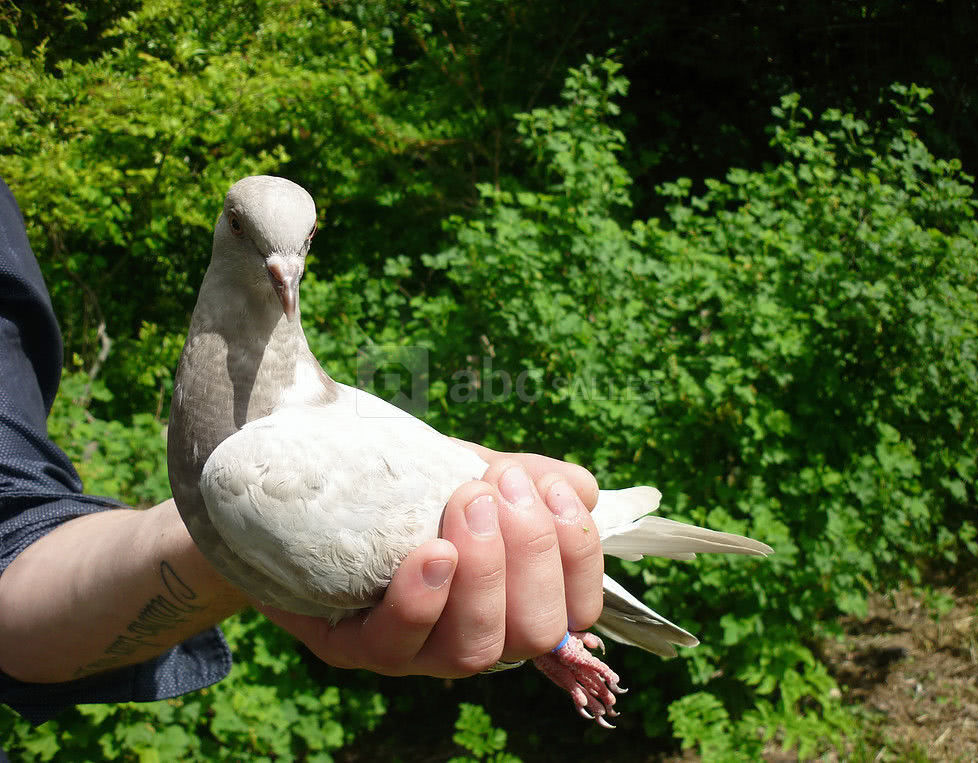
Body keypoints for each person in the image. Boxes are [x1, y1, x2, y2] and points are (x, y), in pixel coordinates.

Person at [0, 177, 604, 726]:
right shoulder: (265, 461)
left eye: (301, 247)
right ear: (226, 227)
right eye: (246, 232)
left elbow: (18, 529)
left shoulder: (294, 448)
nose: (283, 271)